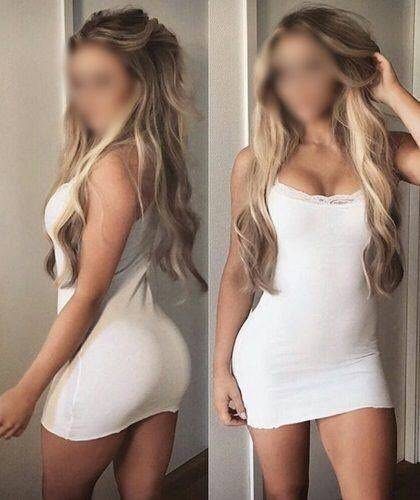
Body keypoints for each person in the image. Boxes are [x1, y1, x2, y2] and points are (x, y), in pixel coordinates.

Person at [213, 5, 420, 499]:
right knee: (286, 494)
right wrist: (220, 368)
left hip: (354, 362)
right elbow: (239, 270)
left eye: (310, 66)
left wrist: (392, 91)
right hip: (272, 359)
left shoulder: (381, 151)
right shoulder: (256, 162)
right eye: (284, 70)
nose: (296, 83)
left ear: (341, 70)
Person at [0, 7, 206, 499]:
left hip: (107, 359)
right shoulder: (149, 157)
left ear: (139, 86)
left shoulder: (110, 167)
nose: (85, 96)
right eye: (80, 81)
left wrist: (27, 390)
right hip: (160, 357)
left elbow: (89, 294)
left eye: (102, 81)